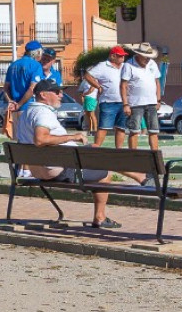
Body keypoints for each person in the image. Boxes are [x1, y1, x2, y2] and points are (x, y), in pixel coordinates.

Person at [16, 80, 131, 229]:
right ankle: (100, 217)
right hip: (58, 170)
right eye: (57, 92)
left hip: (38, 169)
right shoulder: (42, 113)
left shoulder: (27, 113)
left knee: (95, 152)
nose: (61, 95)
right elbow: (41, 139)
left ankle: (141, 178)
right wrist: (72, 137)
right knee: (105, 173)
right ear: (43, 95)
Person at [119, 43, 164, 151]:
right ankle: (134, 155)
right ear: (139, 55)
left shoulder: (152, 64)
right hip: (135, 103)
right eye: (146, 57)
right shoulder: (128, 65)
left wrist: (158, 100)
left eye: (149, 57)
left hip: (151, 102)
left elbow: (157, 82)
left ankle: (154, 155)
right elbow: (123, 85)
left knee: (153, 131)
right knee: (134, 131)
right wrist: (125, 104)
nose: (148, 59)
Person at [84, 46, 129, 148]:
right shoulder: (102, 66)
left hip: (124, 101)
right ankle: (97, 147)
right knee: (103, 127)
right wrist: (98, 86)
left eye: (123, 56)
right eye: (120, 56)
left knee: (121, 128)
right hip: (108, 101)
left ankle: (119, 150)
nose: (122, 58)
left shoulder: (125, 66)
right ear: (113, 56)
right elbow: (87, 75)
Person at [2, 40, 47, 139]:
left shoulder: (13, 65)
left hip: (14, 109)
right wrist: (19, 104)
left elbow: (5, 88)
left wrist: (11, 102)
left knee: (18, 140)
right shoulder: (35, 66)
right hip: (29, 107)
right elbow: (32, 89)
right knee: (30, 140)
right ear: (37, 52)